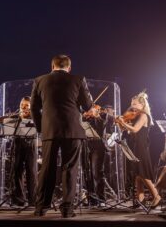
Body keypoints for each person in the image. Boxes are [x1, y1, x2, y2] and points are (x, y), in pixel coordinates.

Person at [31, 54, 93, 218]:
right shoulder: (79, 79)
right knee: (70, 169)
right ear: (69, 67)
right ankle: (67, 209)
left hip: (49, 130)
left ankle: (41, 208)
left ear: (52, 66)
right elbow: (88, 106)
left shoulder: (39, 80)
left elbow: (33, 108)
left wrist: (41, 128)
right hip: (73, 130)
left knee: (47, 169)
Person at [115, 92, 161, 208]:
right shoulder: (135, 116)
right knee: (137, 174)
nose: (132, 106)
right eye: (132, 104)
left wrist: (123, 122)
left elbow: (135, 130)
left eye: (135, 104)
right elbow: (127, 131)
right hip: (135, 146)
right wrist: (121, 123)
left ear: (142, 105)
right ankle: (141, 199)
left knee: (142, 172)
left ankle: (156, 195)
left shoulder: (144, 115)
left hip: (141, 147)